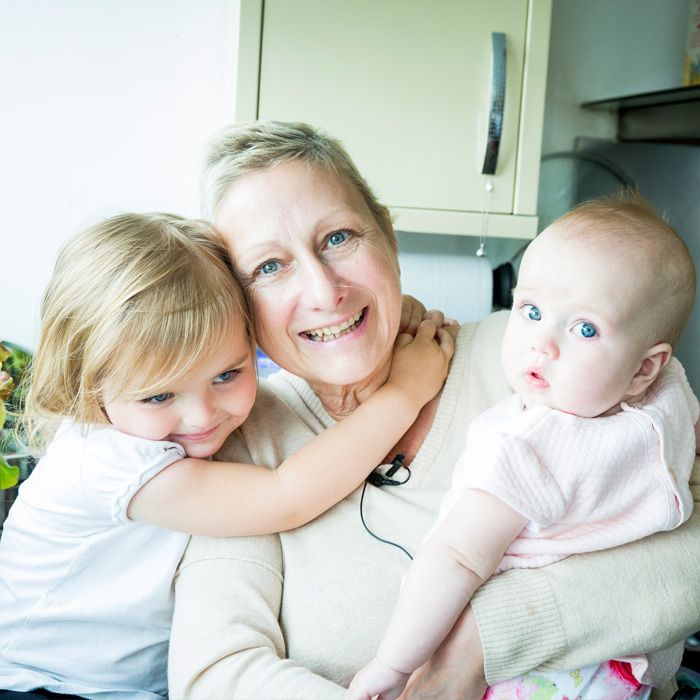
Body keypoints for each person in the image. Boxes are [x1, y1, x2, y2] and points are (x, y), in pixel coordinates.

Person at [168, 121, 700, 700]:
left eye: (340, 237)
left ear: (387, 238)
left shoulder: (550, 363)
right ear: (240, 303)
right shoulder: (244, 439)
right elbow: (213, 674)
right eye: (269, 267)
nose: (324, 292)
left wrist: (477, 645)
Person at [0, 213, 454, 700]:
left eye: (227, 375)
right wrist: (407, 389)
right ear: (89, 385)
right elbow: (285, 496)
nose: (202, 417)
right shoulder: (105, 459)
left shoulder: (164, 420)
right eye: (159, 397)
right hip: (37, 682)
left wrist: (386, 316)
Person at [347, 194, 698, 700]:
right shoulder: (671, 394)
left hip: (534, 675)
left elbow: (456, 559)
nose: (542, 343)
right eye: (531, 310)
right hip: (631, 660)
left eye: (584, 328)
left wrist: (392, 665)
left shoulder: (523, 447)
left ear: (645, 367)